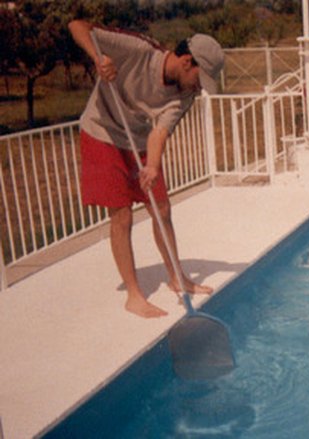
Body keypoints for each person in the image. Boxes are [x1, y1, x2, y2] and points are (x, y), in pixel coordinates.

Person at [68, 20, 224, 318]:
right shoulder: (139, 50)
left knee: (162, 209)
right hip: (102, 132)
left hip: (139, 138)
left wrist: (152, 166)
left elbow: (159, 132)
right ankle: (134, 295)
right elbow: (78, 26)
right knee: (122, 215)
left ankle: (177, 277)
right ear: (186, 61)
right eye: (199, 78)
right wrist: (98, 58)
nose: (198, 87)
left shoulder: (184, 95)